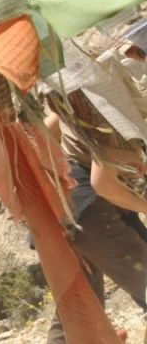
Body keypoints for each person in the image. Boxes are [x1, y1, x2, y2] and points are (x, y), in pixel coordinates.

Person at [44, 81, 147, 343]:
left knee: (81, 304)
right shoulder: (120, 125)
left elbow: (49, 127)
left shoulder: (81, 95)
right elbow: (103, 185)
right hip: (90, 210)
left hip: (65, 201)